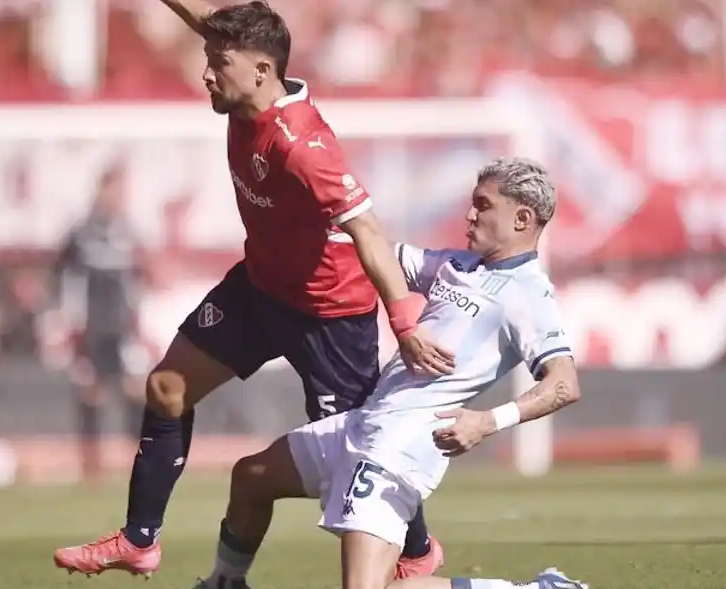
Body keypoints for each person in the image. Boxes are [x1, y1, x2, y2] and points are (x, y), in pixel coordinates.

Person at [53, 0, 454, 578]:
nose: (206, 73)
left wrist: (405, 324)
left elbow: (366, 227)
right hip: (261, 288)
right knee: (167, 389)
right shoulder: (245, 88)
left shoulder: (302, 146)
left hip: (328, 313)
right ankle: (140, 541)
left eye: (219, 62)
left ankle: (416, 554)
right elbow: (212, 29)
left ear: (262, 71)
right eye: (208, 58)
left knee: (365, 448)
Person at [194, 157, 587, 589]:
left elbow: (564, 383)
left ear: (522, 218)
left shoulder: (527, 295)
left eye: (483, 205)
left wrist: (487, 421)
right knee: (252, 477)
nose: (470, 214)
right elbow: (380, 257)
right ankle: (225, 583)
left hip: (397, 452)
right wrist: (329, 213)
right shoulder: (458, 265)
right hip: (363, 426)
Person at [52, 165, 147, 485]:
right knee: (92, 390)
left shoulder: (128, 231)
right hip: (91, 324)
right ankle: (90, 464)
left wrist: (139, 318)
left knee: (136, 386)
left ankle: (144, 461)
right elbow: (64, 276)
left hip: (123, 325)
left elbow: (137, 279)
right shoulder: (82, 232)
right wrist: (66, 320)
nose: (121, 197)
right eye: (116, 190)